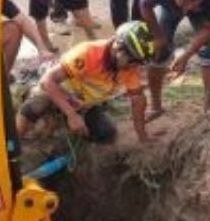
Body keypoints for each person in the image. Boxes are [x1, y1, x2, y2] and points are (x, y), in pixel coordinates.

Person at [17, 22, 159, 144]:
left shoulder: (130, 68)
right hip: (56, 92)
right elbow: (48, 80)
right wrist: (72, 115)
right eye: (134, 61)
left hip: (83, 105)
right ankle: (12, 144)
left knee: (106, 135)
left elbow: (138, 101)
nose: (135, 66)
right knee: (35, 105)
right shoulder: (87, 52)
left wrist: (143, 136)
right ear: (119, 48)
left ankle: (62, 130)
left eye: (139, 62)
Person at [140, 0, 210, 120]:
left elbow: (208, 29)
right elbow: (145, 5)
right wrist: (158, 36)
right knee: (158, 52)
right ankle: (155, 106)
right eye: (184, 3)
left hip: (203, 11)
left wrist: (186, 54)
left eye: (193, 3)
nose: (188, 9)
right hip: (168, 7)